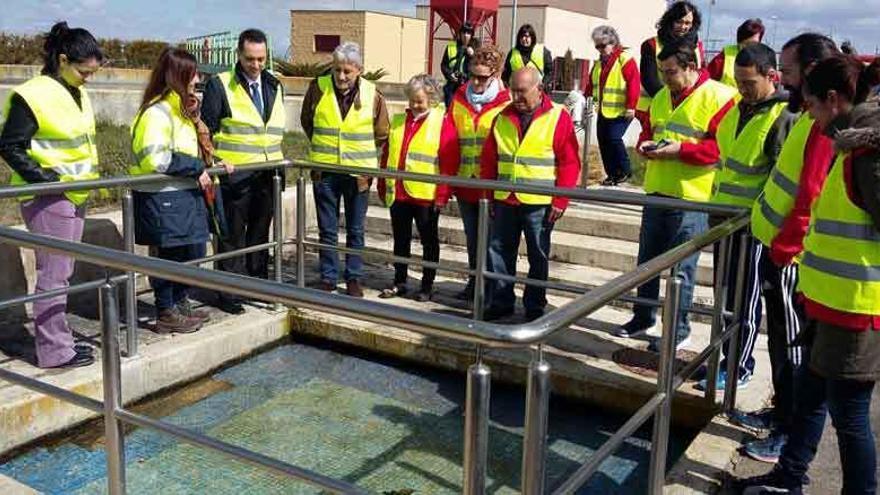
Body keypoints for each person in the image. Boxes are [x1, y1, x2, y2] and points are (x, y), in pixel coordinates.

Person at [735, 54, 880, 495]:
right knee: (811, 393)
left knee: (850, 415)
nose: (808, 116)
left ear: (834, 100)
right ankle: (789, 476)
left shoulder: (867, 153)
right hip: (827, 301)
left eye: (812, 105)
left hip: (855, 309)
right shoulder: (849, 142)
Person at [729, 33, 839, 463]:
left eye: (789, 71)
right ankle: (780, 415)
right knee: (780, 340)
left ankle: (788, 432)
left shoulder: (820, 124)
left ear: (811, 71)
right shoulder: (807, 117)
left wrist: (784, 249)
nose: (783, 78)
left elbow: (809, 194)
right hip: (778, 248)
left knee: (793, 346)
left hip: (791, 255)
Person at [701, 43, 799, 463]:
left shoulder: (781, 117)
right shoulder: (739, 109)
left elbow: (782, 180)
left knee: (748, 301)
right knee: (728, 296)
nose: (742, 90)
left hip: (754, 228)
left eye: (749, 83)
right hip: (723, 218)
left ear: (771, 75)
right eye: (737, 83)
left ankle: (738, 365)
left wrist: (764, 224)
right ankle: (733, 359)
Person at [615, 43, 737, 352]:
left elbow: (720, 150)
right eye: (662, 72)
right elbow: (648, 132)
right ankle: (643, 317)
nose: (666, 78)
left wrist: (679, 150)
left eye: (671, 72)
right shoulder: (659, 97)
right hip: (658, 190)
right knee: (647, 262)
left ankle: (678, 331)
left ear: (691, 67)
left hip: (692, 197)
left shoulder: (719, 97)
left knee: (682, 269)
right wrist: (646, 145)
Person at [0, 22, 102, 368]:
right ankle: (55, 352)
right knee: (53, 275)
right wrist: (49, 180)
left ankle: (60, 343)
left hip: (74, 194)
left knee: (62, 271)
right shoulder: (36, 93)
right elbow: (10, 145)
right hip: (50, 196)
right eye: (84, 71)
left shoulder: (76, 91)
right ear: (62, 59)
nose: (88, 77)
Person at [130, 48, 223, 334]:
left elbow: (187, 149)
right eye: (192, 73)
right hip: (162, 197)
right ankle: (165, 311)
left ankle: (180, 303)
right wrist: (195, 166)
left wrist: (211, 163)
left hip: (180, 196)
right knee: (168, 255)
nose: (197, 79)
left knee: (186, 251)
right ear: (178, 76)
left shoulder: (179, 110)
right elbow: (156, 158)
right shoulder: (157, 112)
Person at [481, 67, 581, 321]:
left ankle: (535, 305)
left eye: (522, 91)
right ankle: (501, 301)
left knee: (538, 255)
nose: (516, 96)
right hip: (505, 199)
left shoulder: (558, 116)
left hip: (540, 202)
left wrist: (561, 199)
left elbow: (569, 163)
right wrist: (489, 195)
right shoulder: (501, 117)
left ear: (539, 89)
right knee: (499, 252)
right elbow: (489, 161)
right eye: (513, 90)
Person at [202, 29, 285, 315]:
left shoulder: (275, 85)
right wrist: (213, 164)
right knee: (231, 236)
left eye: (261, 59)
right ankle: (229, 292)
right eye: (250, 59)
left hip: (267, 174)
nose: (256, 65)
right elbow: (206, 131)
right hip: (234, 177)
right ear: (239, 55)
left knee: (260, 235)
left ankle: (257, 285)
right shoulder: (220, 85)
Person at [300, 42, 390, 297]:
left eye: (347, 71)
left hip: (358, 175)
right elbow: (307, 121)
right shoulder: (318, 88)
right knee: (327, 229)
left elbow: (382, 132)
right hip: (325, 171)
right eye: (337, 70)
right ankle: (328, 278)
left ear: (359, 70)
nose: (341, 76)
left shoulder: (373, 94)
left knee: (355, 230)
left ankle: (353, 278)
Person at [377, 74, 457, 301]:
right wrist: (383, 184)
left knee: (428, 242)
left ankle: (427, 285)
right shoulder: (400, 121)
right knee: (400, 240)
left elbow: (449, 163)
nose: (414, 105)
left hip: (425, 195)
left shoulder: (443, 122)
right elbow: (387, 156)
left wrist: (442, 195)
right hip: (399, 192)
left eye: (419, 100)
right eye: (411, 100)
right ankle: (399, 281)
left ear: (431, 99)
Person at [448, 44, 511, 301]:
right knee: (472, 239)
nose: (475, 81)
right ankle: (474, 284)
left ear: (495, 75)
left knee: (493, 242)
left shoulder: (506, 102)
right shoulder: (459, 98)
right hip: (465, 181)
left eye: (482, 77)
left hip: (492, 185)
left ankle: (492, 290)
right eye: (471, 75)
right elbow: (450, 137)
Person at [636, 1, 706, 127]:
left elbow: (702, 75)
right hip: (655, 107)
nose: (683, 27)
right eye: (679, 21)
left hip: (691, 109)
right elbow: (649, 81)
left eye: (687, 23)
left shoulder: (698, 46)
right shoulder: (651, 45)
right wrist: (672, 102)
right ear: (670, 21)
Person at [585, 25, 640, 186]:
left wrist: (631, 106)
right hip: (604, 110)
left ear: (613, 42)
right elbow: (591, 84)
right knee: (603, 140)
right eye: (597, 46)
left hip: (622, 110)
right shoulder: (598, 63)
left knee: (614, 138)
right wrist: (585, 100)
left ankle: (624, 170)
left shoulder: (625, 59)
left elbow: (634, 83)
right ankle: (612, 174)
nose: (600, 49)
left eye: (603, 45)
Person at [707, 18, 765, 88]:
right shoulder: (722, 59)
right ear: (739, 42)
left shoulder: (764, 60)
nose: (750, 47)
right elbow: (707, 83)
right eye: (746, 44)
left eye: (754, 44)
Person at [441, 22, 475, 107]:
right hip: (452, 86)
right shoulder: (450, 47)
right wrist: (450, 75)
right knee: (450, 112)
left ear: (471, 35)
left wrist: (472, 56)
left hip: (467, 87)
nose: (465, 35)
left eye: (468, 33)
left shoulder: (475, 49)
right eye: (463, 32)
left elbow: (478, 70)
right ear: (460, 33)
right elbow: (444, 65)